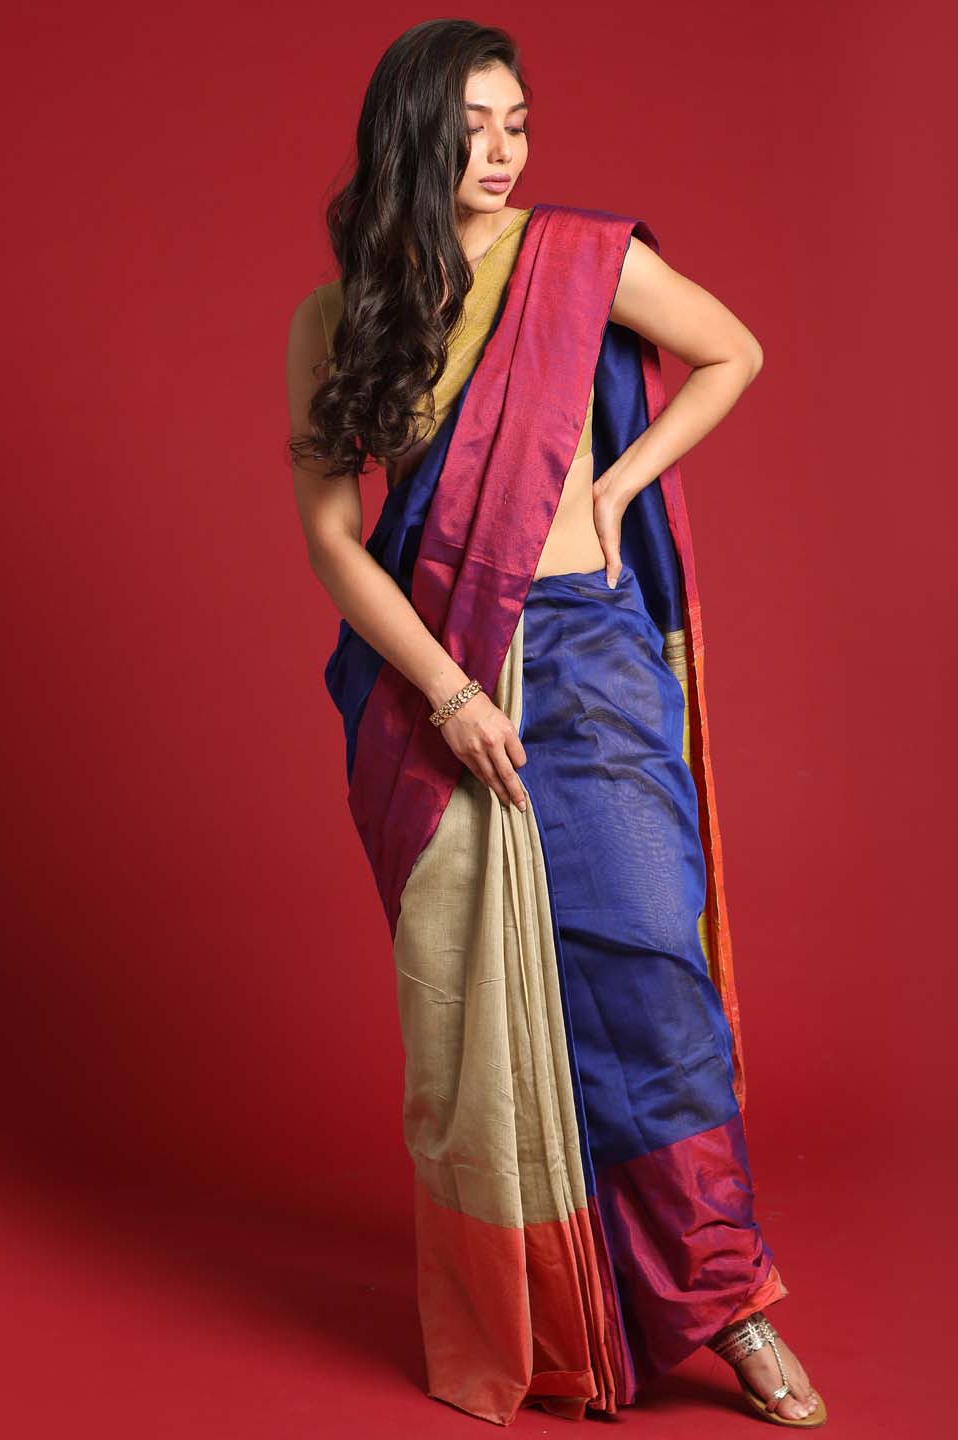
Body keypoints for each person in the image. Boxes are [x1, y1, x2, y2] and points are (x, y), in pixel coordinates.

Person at [285, 18, 826, 1431]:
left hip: (586, 657)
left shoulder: (579, 263)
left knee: (651, 972)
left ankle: (727, 1296)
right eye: (475, 124)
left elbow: (732, 351)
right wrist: (451, 693)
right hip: (428, 687)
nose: (505, 150)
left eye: (519, 122)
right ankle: (561, 1312)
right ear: (411, 132)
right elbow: (335, 540)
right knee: (487, 1016)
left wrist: (615, 487)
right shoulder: (339, 318)